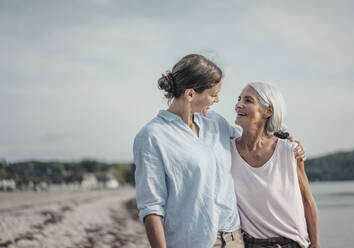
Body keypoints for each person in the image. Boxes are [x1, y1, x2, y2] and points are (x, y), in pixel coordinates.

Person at [133, 54, 306, 248]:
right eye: (213, 94)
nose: (217, 100)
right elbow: (151, 207)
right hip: (192, 242)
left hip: (235, 239)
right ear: (190, 94)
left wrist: (287, 140)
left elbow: (254, 137)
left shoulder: (216, 123)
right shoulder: (152, 136)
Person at [230, 82, 319, 248]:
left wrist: (316, 244)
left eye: (248, 100)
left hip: (291, 244)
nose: (238, 104)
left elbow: (307, 200)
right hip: (250, 244)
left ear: (268, 111)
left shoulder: (290, 151)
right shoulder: (226, 150)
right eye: (239, 99)